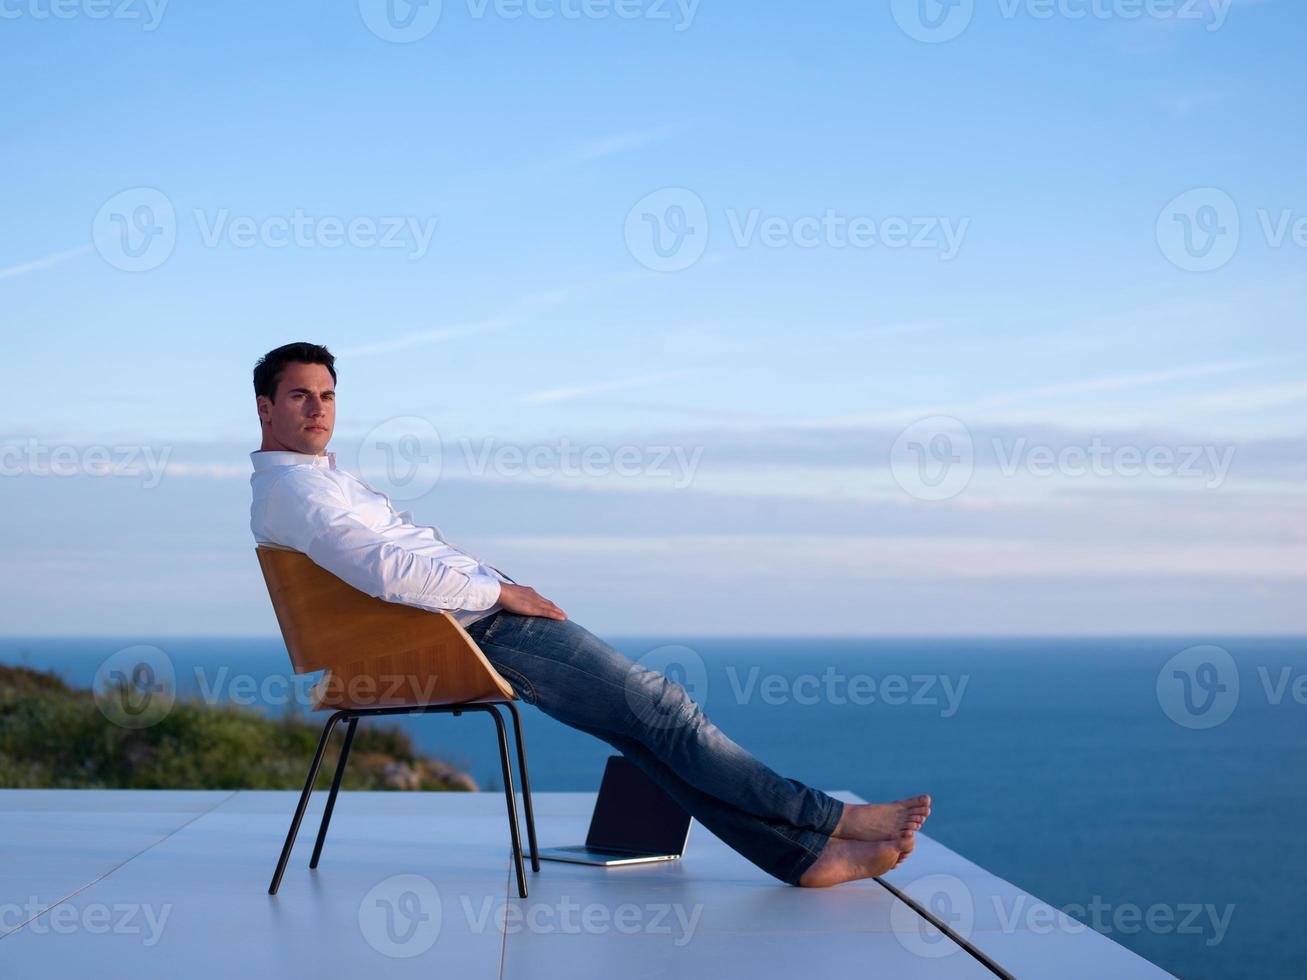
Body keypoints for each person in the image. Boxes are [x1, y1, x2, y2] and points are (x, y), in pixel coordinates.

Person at [248, 342, 930, 887]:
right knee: (663, 709)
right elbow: (386, 570)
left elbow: (389, 563)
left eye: (327, 395)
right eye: (300, 395)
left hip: (462, 625)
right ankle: (832, 819)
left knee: (643, 732)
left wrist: (493, 586)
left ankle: (799, 859)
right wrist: (500, 593)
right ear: (265, 408)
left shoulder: (315, 483)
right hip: (468, 633)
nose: (318, 408)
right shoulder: (298, 494)